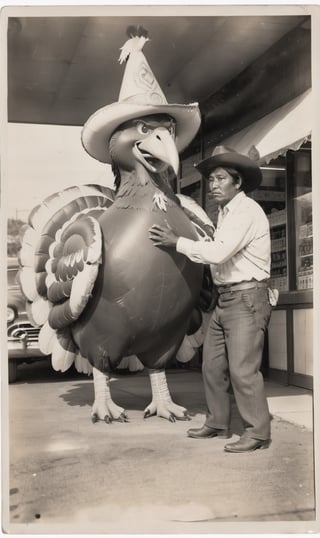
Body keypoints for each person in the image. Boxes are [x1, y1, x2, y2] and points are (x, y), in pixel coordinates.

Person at [148, 145, 273, 453]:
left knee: (243, 370)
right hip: (227, 299)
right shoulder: (226, 213)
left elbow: (218, 253)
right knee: (212, 367)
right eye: (212, 180)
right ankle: (217, 422)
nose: (213, 185)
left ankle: (257, 432)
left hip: (246, 298)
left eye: (220, 179)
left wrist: (176, 242)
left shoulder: (246, 212)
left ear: (238, 183)